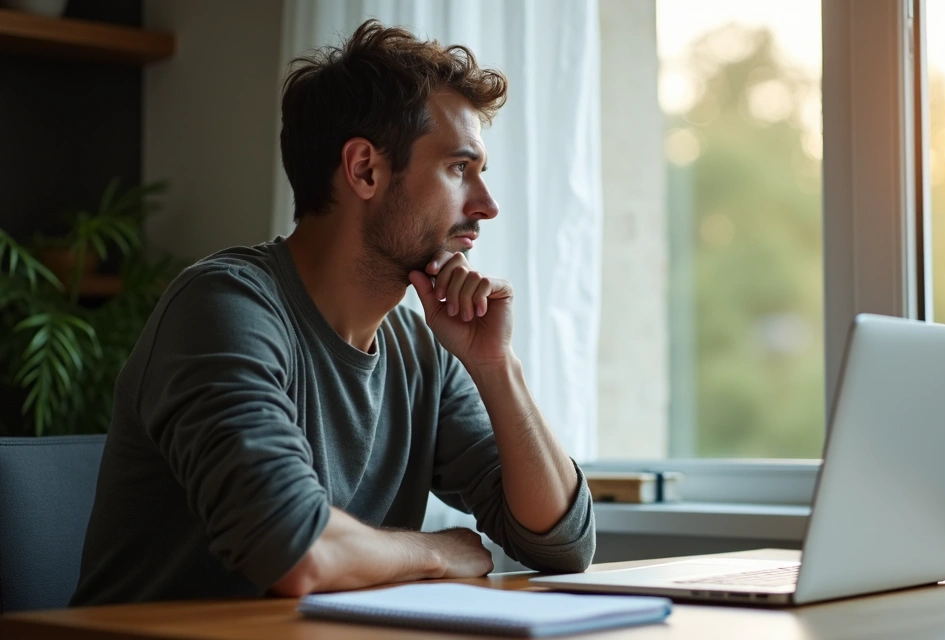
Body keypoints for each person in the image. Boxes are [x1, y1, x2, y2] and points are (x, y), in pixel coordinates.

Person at [71, 20, 594, 605]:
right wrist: (437, 553)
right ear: (365, 169)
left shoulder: (421, 348)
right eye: (458, 169)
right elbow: (293, 549)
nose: (487, 206)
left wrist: (497, 366)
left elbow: (563, 543)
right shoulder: (225, 308)